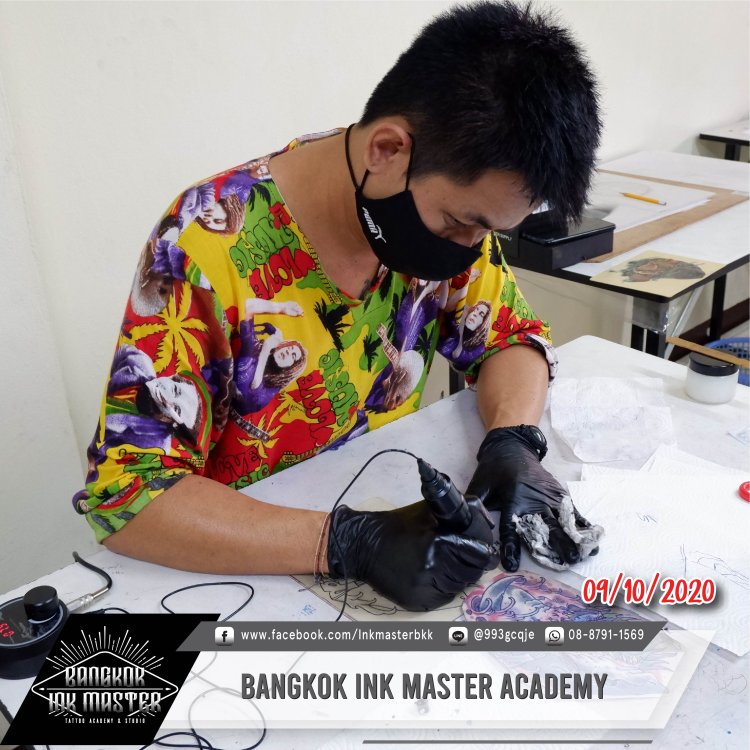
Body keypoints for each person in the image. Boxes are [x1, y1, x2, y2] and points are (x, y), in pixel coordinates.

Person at [73, 0, 602, 611]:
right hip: (243, 574)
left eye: (488, 230)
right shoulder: (206, 245)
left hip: (386, 517)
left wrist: (513, 440)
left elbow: (509, 336)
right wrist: (344, 542)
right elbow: (131, 498)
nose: (470, 248)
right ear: (388, 149)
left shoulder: (446, 215)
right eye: (461, 222)